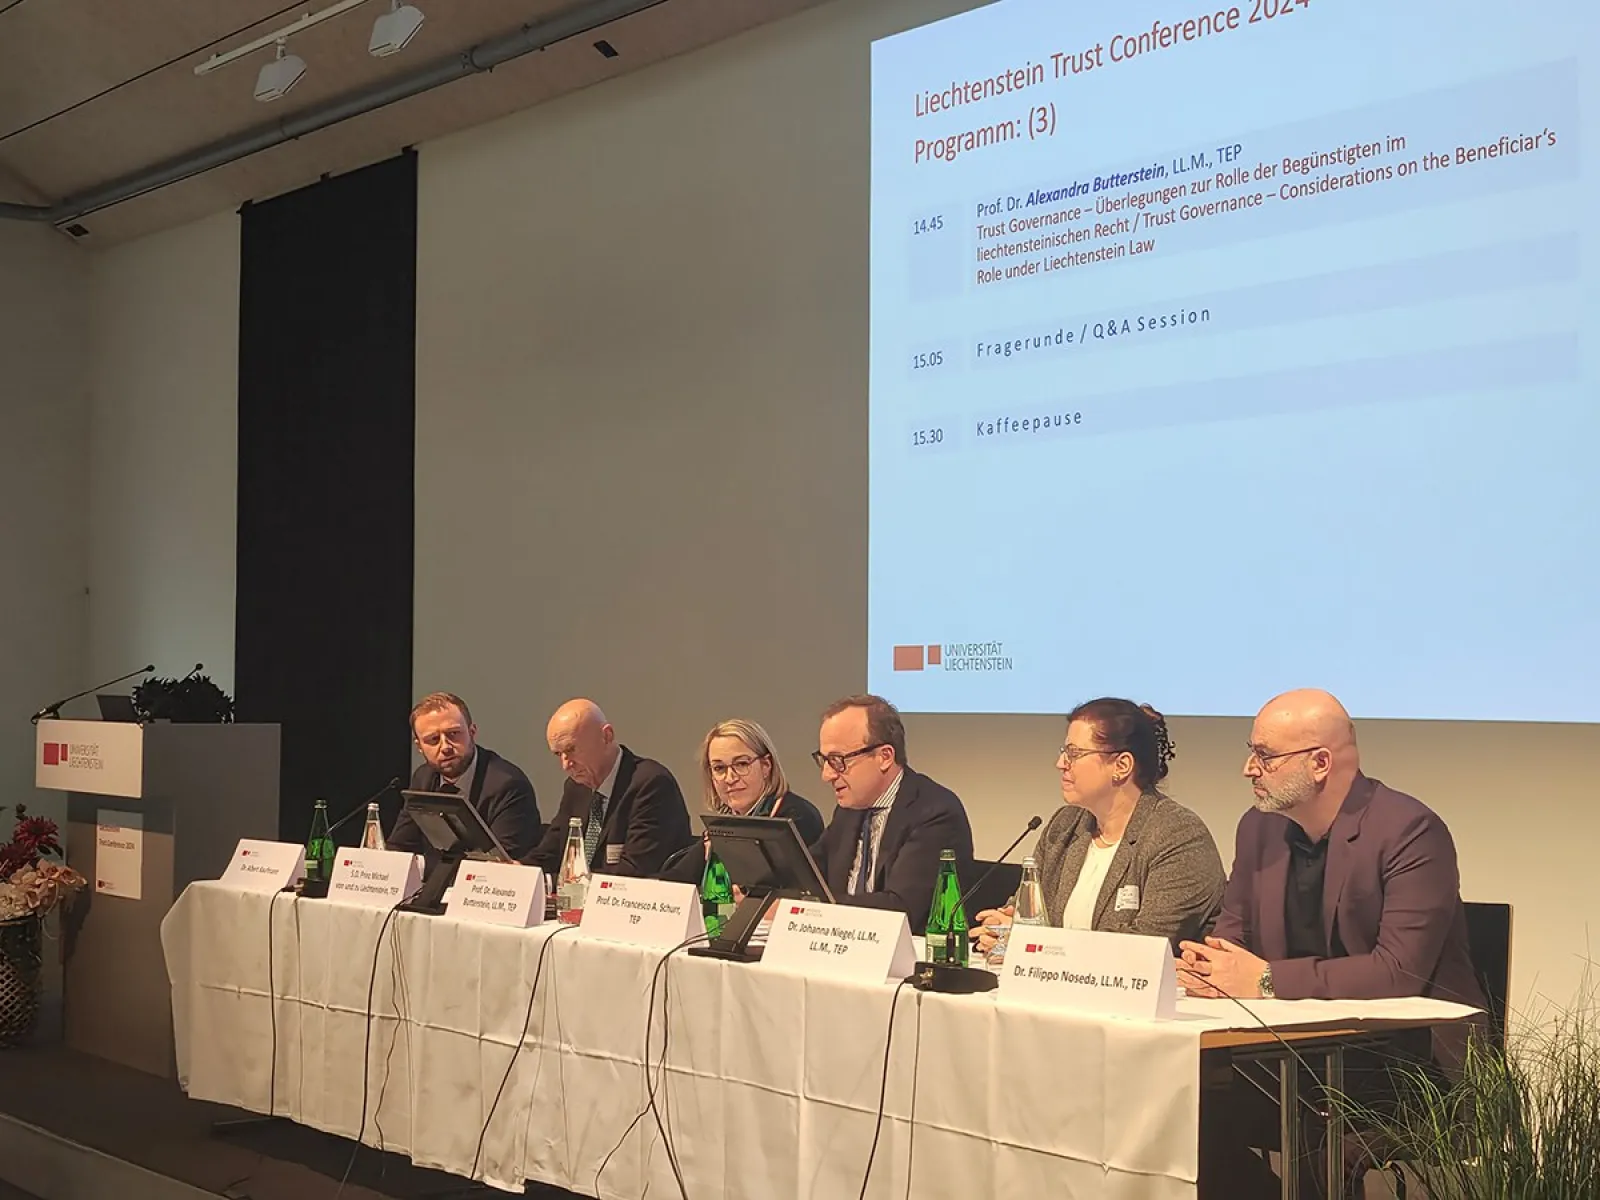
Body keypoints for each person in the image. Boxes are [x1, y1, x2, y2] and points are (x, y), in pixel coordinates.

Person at [1179, 688, 1486, 1197]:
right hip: (1289, 1061)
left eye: (1265, 756)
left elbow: (1398, 972)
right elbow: (1230, 938)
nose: (1248, 769)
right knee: (1178, 1110)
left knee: (1316, 1135)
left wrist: (1265, 979)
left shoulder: (1411, 830)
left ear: (1320, 763)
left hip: (1406, 1070)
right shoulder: (1257, 830)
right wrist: (1205, 969)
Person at [974, 698, 1225, 956]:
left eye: (1074, 753)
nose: (1060, 763)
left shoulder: (1178, 835)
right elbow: (1024, 910)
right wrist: (1000, 929)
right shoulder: (1066, 825)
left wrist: (1030, 941)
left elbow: (1145, 944)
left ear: (1122, 765)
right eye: (1064, 751)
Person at [808, 694, 972, 933]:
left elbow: (902, 910)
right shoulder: (849, 810)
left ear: (884, 756)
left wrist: (811, 907)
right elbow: (808, 874)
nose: (827, 775)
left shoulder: (935, 812)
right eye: (823, 760)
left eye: (838, 760)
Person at [528, 698, 694, 878]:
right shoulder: (576, 788)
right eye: (558, 754)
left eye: (571, 749)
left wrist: (562, 882)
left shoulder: (651, 784)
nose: (565, 765)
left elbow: (633, 872)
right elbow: (550, 852)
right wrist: (519, 870)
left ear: (607, 736)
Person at [660, 718, 825, 885]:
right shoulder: (725, 824)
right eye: (719, 768)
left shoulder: (798, 817)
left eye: (741, 764)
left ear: (766, 765)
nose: (730, 778)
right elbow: (672, 882)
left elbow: (778, 889)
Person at [386, 692, 542, 862]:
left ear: (472, 732)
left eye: (453, 734)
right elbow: (399, 846)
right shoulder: (423, 777)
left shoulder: (508, 785)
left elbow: (503, 863)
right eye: (433, 739)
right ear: (419, 747)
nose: (445, 747)